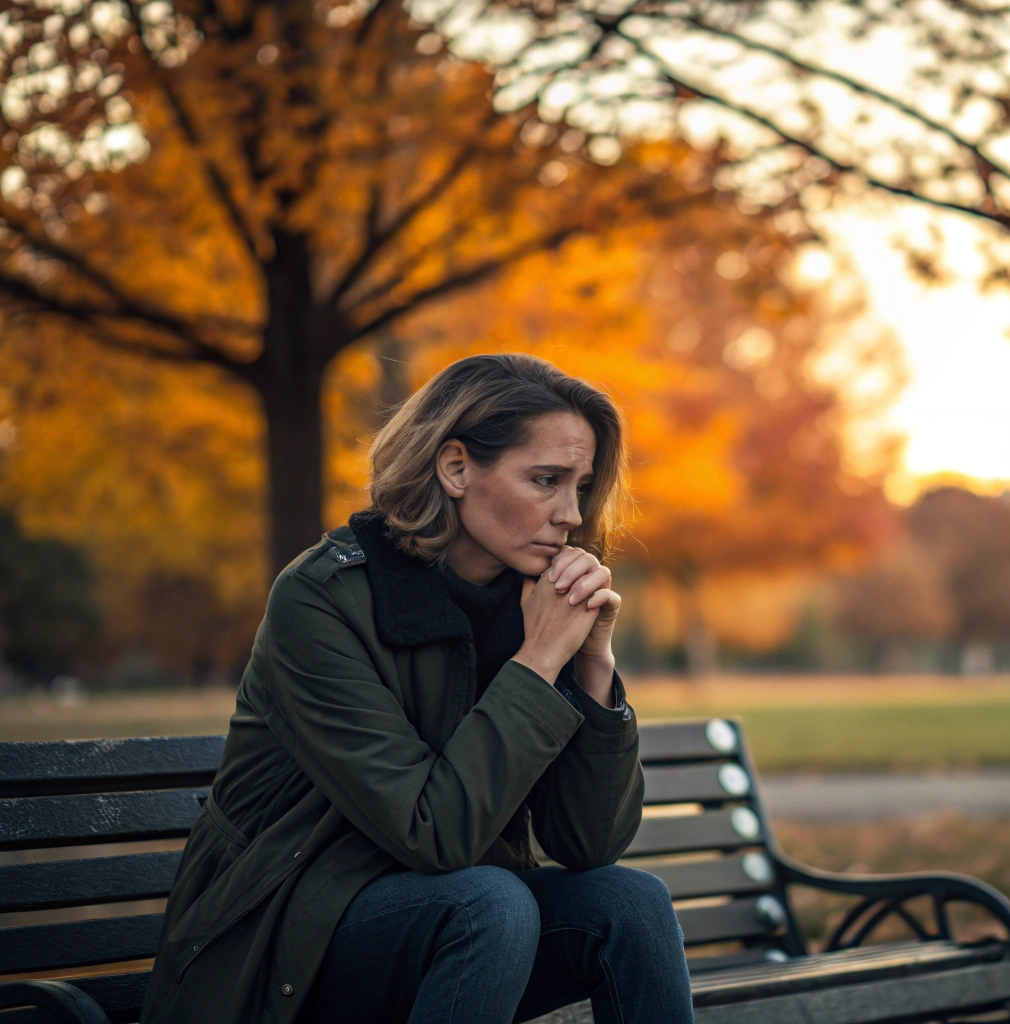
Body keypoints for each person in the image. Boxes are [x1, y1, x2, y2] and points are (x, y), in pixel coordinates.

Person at [142, 354, 693, 1024]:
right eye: (545, 480)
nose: (571, 516)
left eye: (580, 486)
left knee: (629, 902)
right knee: (490, 901)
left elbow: (588, 844)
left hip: (460, 922)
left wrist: (592, 669)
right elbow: (434, 836)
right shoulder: (321, 600)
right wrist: (541, 657)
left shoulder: (524, 603)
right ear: (455, 467)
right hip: (281, 944)